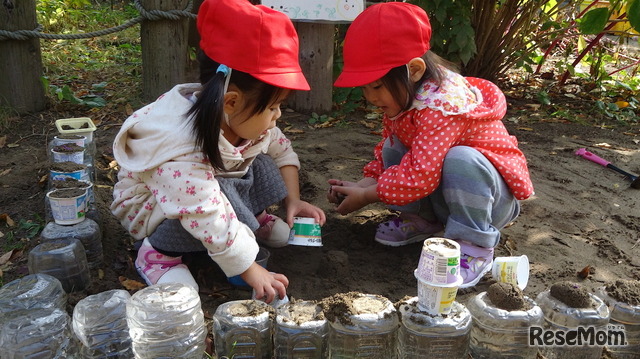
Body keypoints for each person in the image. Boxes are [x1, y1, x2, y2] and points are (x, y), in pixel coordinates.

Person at [111, 0, 325, 303]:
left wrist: (294, 200)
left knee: (261, 161)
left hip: (210, 197)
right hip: (157, 208)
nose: (278, 116)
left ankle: (252, 220)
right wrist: (250, 269)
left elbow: (282, 150)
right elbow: (205, 211)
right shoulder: (180, 145)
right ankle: (158, 257)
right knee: (217, 193)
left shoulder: (239, 121)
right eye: (273, 107)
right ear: (232, 103)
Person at [328, 2, 533, 288]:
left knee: (460, 158)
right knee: (393, 146)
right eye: (364, 88)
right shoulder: (408, 100)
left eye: (376, 86)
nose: (369, 97)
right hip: (447, 197)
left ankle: (475, 245)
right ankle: (424, 222)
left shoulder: (441, 105)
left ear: (413, 70)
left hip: (487, 203)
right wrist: (361, 185)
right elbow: (392, 153)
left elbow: (421, 175)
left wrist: (368, 196)